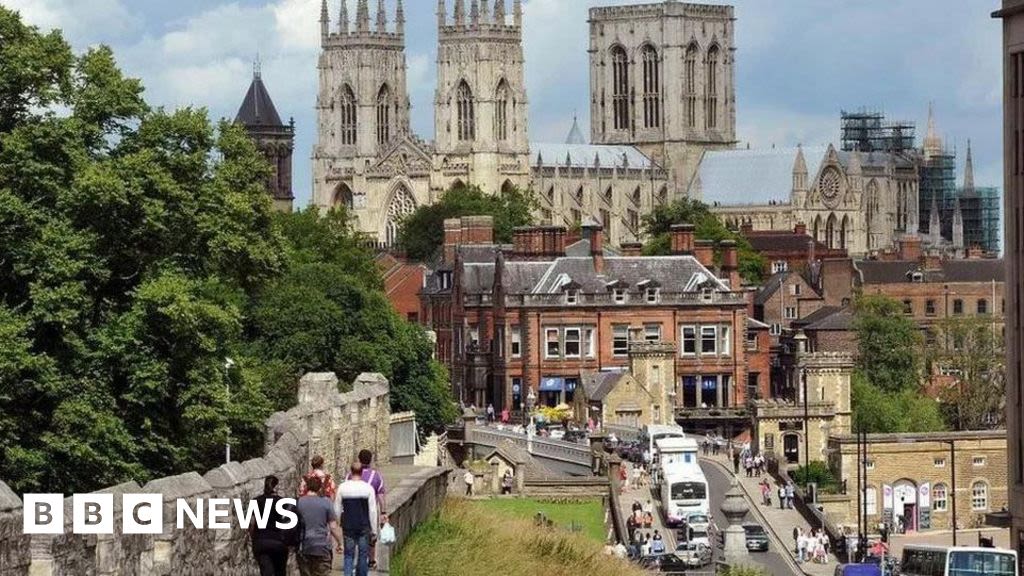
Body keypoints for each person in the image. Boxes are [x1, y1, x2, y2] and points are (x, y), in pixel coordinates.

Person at [335, 463, 380, 576]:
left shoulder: (343, 487)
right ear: (361, 472)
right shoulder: (368, 488)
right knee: (363, 555)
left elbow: (337, 508)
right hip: (364, 526)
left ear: (351, 471)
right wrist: (374, 530)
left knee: (349, 555)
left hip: (348, 526)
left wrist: (338, 522)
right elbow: (373, 511)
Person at [296, 475, 343, 576]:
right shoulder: (326, 502)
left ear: (307, 487)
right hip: (322, 546)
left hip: (304, 546)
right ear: (320, 488)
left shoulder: (299, 502)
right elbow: (333, 527)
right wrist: (340, 543)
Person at [250, 475, 290, 576]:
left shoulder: (256, 501)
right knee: (280, 571)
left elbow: (252, 523)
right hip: (278, 542)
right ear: (276, 487)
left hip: (261, 542)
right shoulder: (283, 503)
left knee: (266, 571)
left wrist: (254, 538)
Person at [357, 449, 387, 570]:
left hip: (355, 510)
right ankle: (371, 560)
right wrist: (384, 512)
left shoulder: (352, 475)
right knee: (372, 535)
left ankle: (360, 558)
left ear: (359, 459)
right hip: (371, 509)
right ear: (370, 460)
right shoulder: (376, 476)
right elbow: (380, 496)